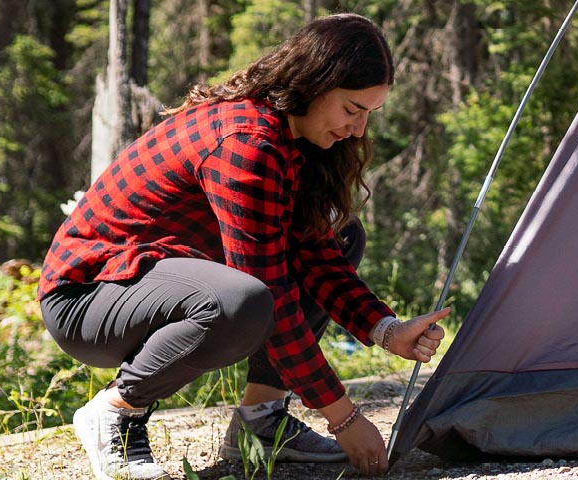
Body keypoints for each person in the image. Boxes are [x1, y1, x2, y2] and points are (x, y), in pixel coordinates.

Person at [39, 13, 445, 479]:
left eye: (369, 114)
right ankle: (115, 412)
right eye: (352, 109)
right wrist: (343, 417)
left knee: (342, 235)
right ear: (315, 83)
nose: (357, 129)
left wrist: (385, 329)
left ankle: (261, 422)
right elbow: (268, 289)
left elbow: (312, 254)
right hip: (87, 299)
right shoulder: (246, 143)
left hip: (153, 282)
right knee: (243, 301)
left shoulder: (294, 138)